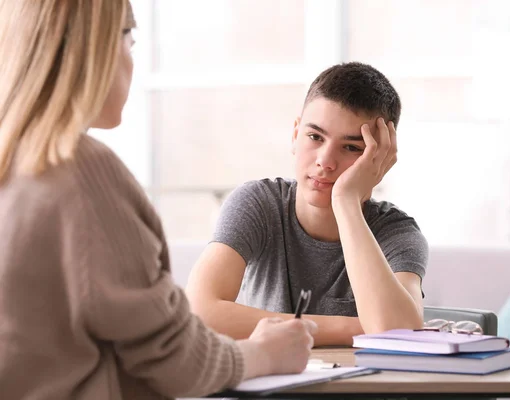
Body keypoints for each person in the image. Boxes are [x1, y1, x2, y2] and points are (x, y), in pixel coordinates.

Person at [0, 1, 317, 399]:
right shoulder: (79, 170)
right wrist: (264, 354)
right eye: (130, 40)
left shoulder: (14, 160)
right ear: (99, 46)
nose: (131, 59)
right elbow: (175, 360)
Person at [186, 62, 428, 347]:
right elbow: (198, 310)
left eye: (352, 147)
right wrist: (357, 328)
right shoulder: (258, 204)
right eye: (315, 137)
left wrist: (346, 202)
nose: (325, 161)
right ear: (295, 135)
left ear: (380, 159)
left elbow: (399, 334)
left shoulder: (397, 232)